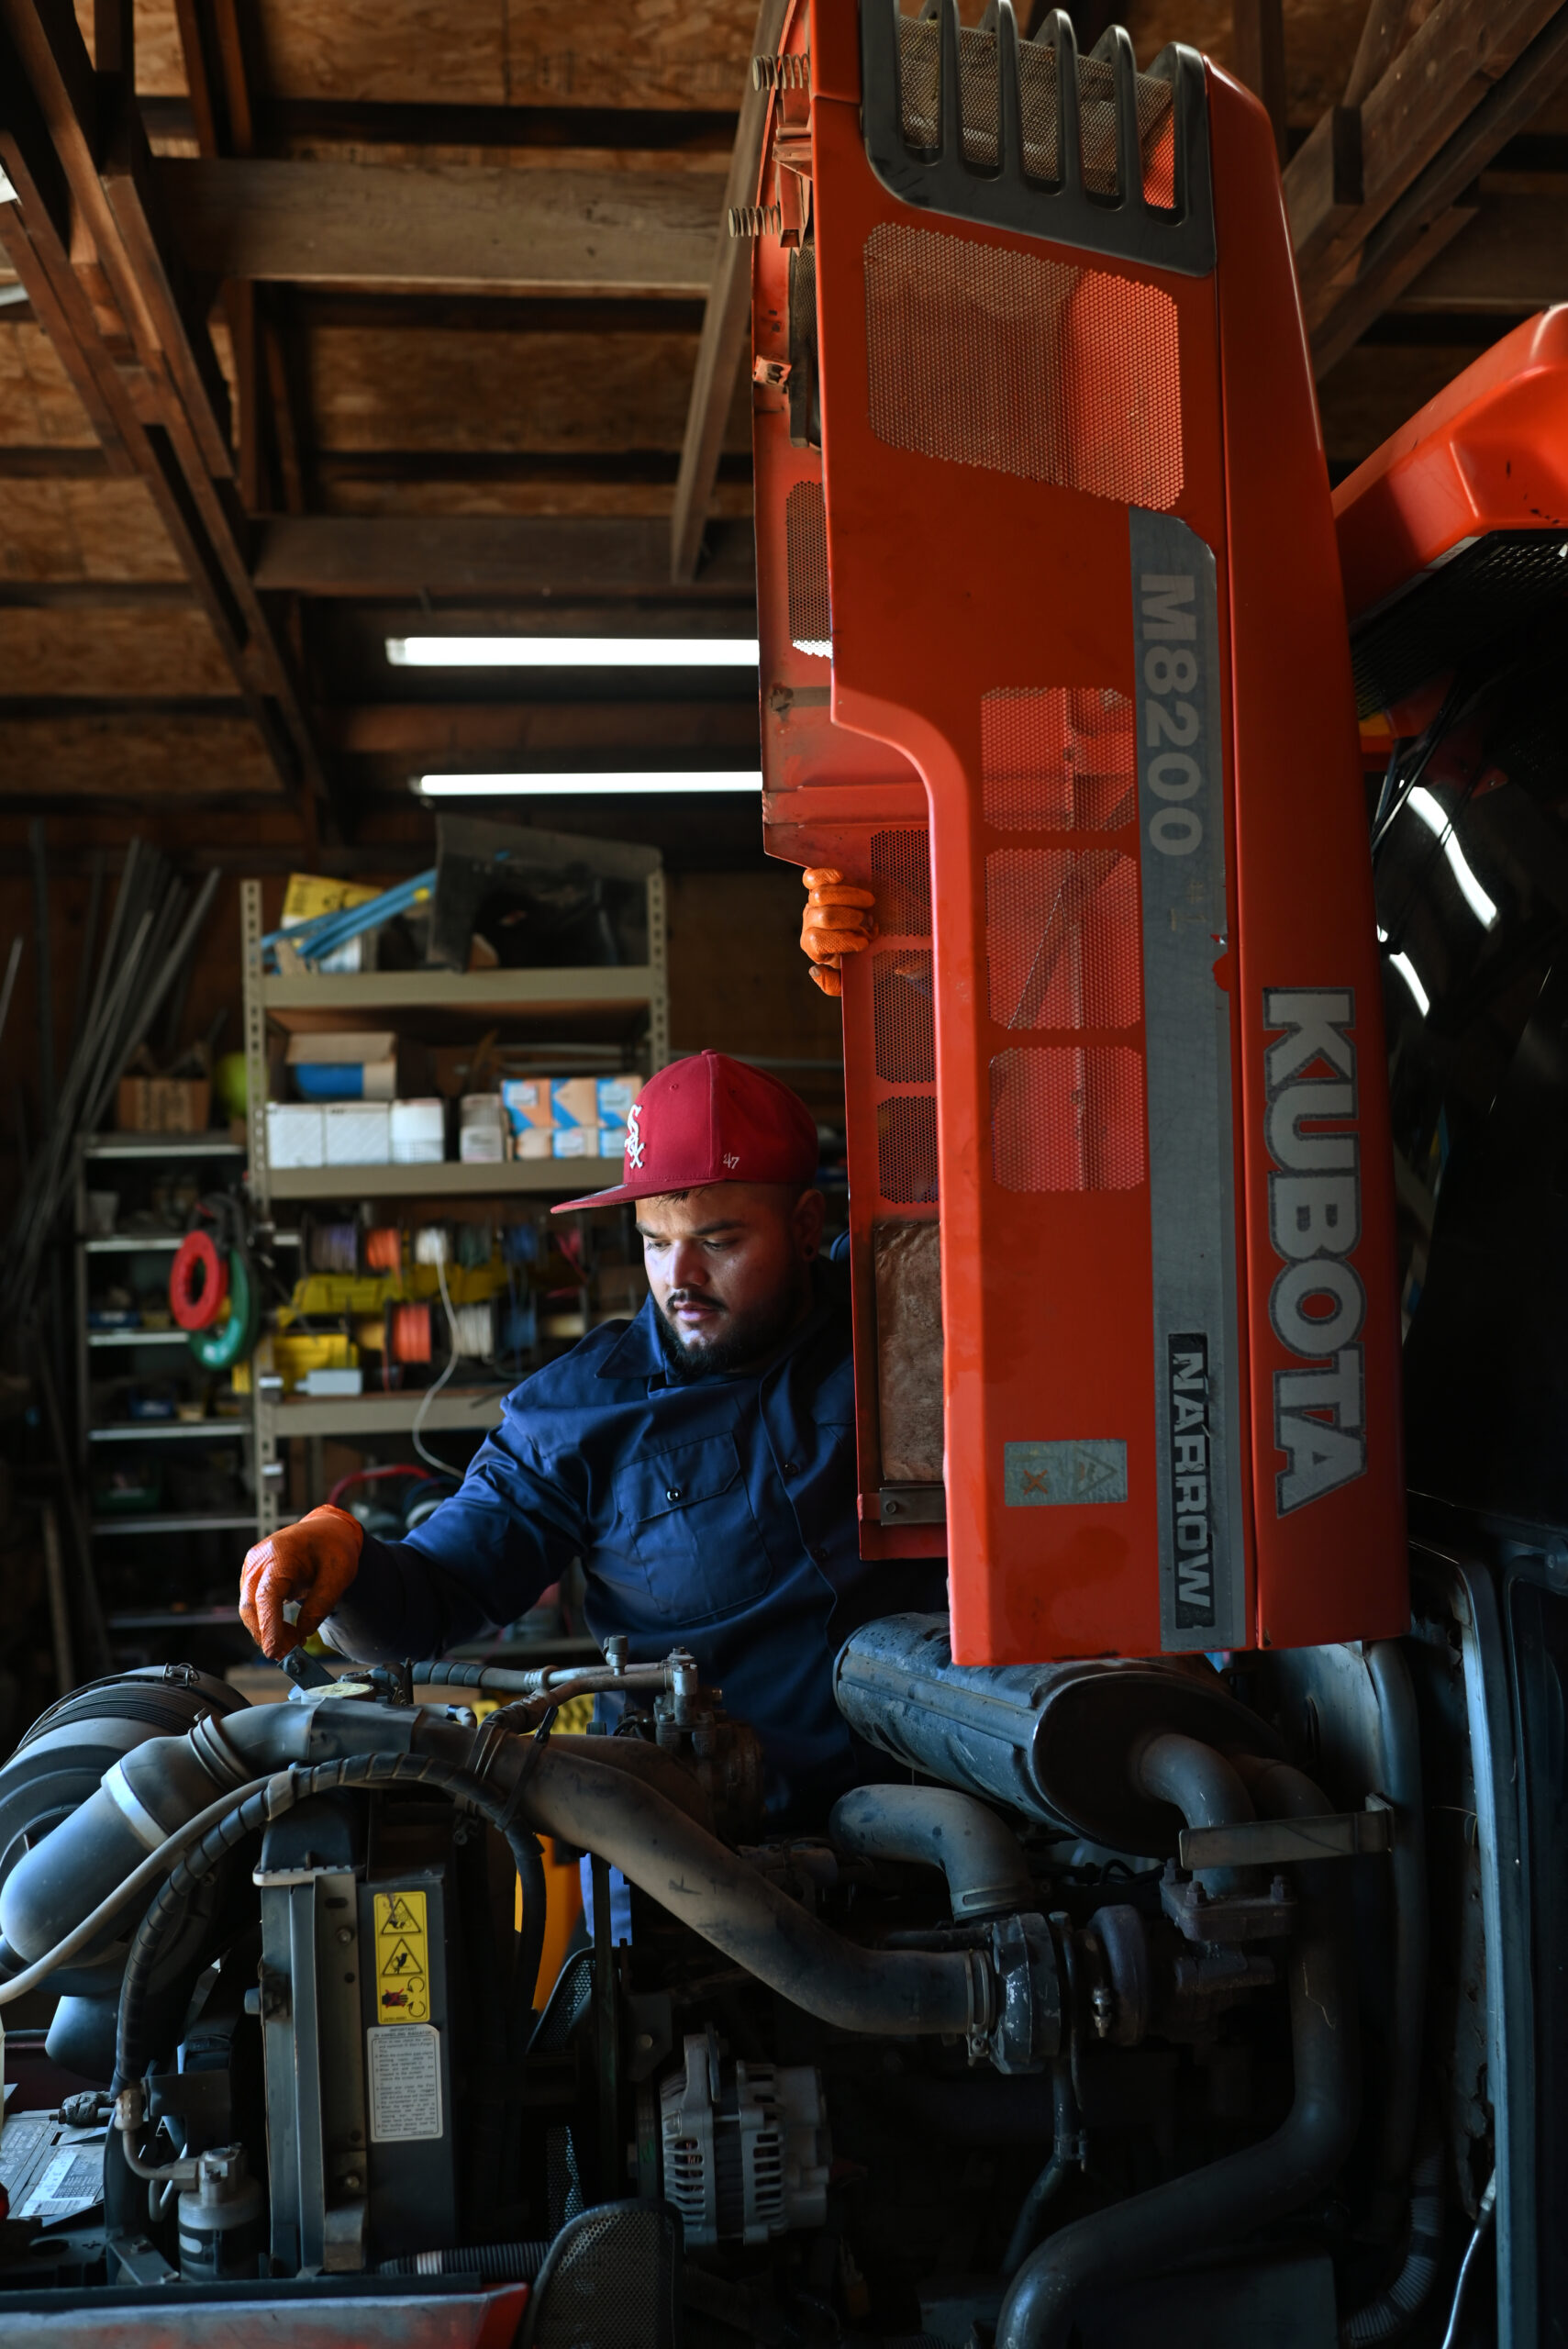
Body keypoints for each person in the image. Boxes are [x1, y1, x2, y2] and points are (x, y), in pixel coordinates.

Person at [239, 1048, 943, 1830]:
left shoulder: (899, 1314)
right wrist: (347, 1559)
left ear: (806, 1226)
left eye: (717, 1242)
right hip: (714, 1864)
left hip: (959, 1813)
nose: (681, 1278)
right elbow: (436, 1596)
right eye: (653, 1241)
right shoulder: (574, 1416)